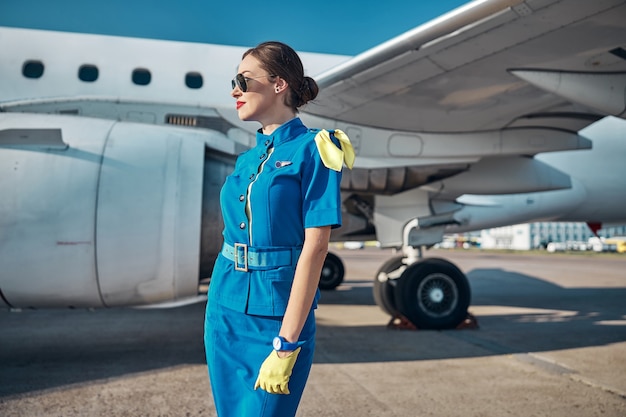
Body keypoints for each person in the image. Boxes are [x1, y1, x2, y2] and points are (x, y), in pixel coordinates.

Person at [204, 41, 354, 417]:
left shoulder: (316, 149)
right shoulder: (246, 159)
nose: (234, 89)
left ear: (278, 84)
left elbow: (315, 249)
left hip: (277, 316)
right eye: (233, 80)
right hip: (224, 308)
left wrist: (286, 343)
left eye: (244, 79)